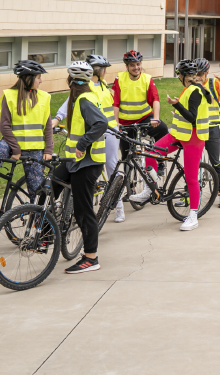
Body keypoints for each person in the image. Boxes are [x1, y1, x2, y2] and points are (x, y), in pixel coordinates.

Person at [133, 59, 211, 231]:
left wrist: (176, 105)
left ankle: (193, 215)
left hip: (194, 139)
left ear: (183, 77)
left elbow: (191, 117)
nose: (178, 78)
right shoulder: (189, 89)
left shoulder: (196, 91)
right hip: (178, 135)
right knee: (151, 152)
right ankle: (151, 188)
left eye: (179, 76)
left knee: (191, 178)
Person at [51, 54, 125, 222]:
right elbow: (69, 101)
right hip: (96, 130)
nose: (104, 71)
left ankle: (118, 206)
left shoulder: (105, 86)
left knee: (112, 166)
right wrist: (57, 118)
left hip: (111, 131)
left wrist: (117, 123)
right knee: (87, 168)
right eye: (102, 69)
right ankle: (81, 208)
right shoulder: (87, 86)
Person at [0, 59, 53, 208]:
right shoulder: (9, 95)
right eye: (38, 77)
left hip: (35, 149)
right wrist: (16, 149)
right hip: (10, 145)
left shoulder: (44, 97)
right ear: (29, 78)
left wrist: (48, 149)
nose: (41, 81)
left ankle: (42, 227)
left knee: (36, 193)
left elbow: (48, 126)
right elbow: (5, 126)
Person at [54, 61, 108, 273]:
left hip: (88, 163)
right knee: (52, 183)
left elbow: (101, 123)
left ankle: (91, 258)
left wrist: (82, 143)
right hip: (74, 161)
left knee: (83, 210)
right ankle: (46, 231)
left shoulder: (85, 99)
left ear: (70, 81)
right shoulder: (81, 97)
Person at [114, 50, 169, 206]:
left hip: (145, 118)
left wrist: (156, 118)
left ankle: (160, 163)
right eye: (132, 65)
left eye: (138, 64)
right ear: (127, 66)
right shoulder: (120, 78)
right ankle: (130, 188)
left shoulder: (147, 79)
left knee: (163, 130)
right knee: (126, 155)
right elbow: (115, 103)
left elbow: (155, 100)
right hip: (126, 123)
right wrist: (116, 122)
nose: (136, 68)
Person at [200, 63, 220, 207]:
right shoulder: (190, 86)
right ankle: (188, 193)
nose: (198, 77)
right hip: (197, 130)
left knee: (217, 162)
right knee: (192, 163)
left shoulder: (214, 84)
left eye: (201, 73)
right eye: (195, 74)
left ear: (207, 72)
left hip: (213, 129)